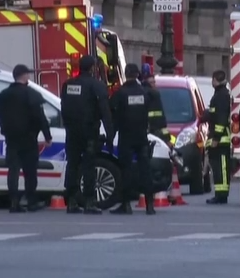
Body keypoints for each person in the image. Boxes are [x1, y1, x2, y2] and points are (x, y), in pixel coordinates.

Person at [0, 64, 53, 213]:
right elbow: (40, 117)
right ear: (24, 76)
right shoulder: (31, 94)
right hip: (29, 138)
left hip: (11, 138)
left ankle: (14, 202)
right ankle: (31, 202)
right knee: (30, 171)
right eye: (28, 74)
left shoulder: (4, 95)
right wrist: (47, 136)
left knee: (13, 171)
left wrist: (5, 127)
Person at [61, 55, 114, 214]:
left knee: (72, 164)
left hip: (72, 131)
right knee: (89, 166)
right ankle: (89, 201)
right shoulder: (96, 85)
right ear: (93, 68)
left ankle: (71, 201)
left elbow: (64, 107)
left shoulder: (68, 84)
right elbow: (105, 111)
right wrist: (110, 134)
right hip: (89, 131)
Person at [109, 64, 155, 215]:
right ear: (137, 75)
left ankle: (126, 204)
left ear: (126, 74)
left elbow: (113, 114)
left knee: (126, 171)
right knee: (145, 171)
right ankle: (149, 205)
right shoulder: (144, 92)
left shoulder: (120, 93)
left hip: (126, 137)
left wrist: (110, 135)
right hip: (141, 137)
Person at [202, 70, 232, 205]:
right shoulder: (220, 95)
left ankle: (222, 195)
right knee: (218, 168)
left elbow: (221, 119)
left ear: (215, 80)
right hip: (218, 138)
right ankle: (219, 194)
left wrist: (216, 138)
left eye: (212, 80)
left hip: (220, 140)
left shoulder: (221, 96)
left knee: (222, 169)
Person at [139, 64, 172, 144]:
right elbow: (161, 121)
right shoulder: (155, 95)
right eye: (151, 82)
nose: (154, 84)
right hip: (154, 133)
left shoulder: (138, 93)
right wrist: (167, 139)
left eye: (154, 82)